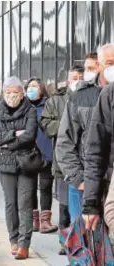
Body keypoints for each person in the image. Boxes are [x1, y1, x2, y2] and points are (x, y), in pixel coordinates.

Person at [0, 76, 38, 260]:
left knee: (24, 203)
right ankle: (14, 240)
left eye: (15, 92)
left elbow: (30, 135)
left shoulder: (30, 110)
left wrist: (7, 143)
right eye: (8, 93)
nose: (11, 96)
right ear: (3, 93)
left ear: (22, 94)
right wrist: (13, 134)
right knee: (11, 203)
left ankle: (24, 245)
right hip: (5, 164)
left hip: (26, 162)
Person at [55, 50, 106, 223]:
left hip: (109, 183)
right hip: (84, 181)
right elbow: (64, 143)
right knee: (84, 240)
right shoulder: (79, 98)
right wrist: (77, 177)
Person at [40, 72, 82, 254]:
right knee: (65, 205)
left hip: (86, 161)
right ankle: (65, 241)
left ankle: (82, 241)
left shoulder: (91, 96)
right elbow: (46, 123)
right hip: (63, 161)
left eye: (79, 77)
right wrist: (66, 126)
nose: (76, 81)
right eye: (73, 78)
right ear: (68, 81)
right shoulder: (56, 100)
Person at [82, 44, 114, 231]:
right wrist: (91, 203)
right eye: (109, 63)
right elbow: (95, 150)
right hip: (106, 183)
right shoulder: (108, 95)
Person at [25, 77, 58, 234]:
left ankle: (45, 221)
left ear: (41, 89)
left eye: (35, 86)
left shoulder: (49, 104)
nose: (31, 89)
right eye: (29, 86)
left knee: (45, 187)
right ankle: (34, 220)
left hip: (46, 153)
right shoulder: (24, 107)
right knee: (30, 188)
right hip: (29, 154)